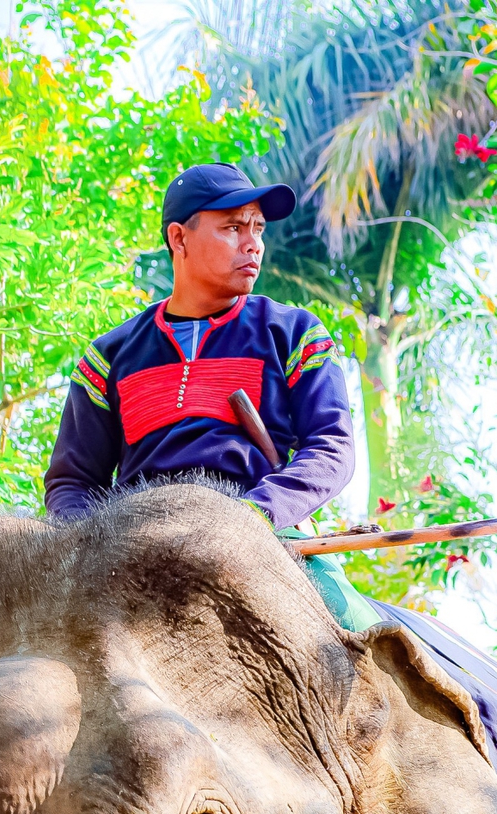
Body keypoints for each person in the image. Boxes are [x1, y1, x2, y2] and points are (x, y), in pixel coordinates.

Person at [44, 162, 377, 630]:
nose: (253, 243)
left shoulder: (293, 332)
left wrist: (255, 514)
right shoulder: (110, 356)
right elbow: (72, 482)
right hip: (129, 545)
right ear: (179, 238)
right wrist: (91, 545)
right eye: (233, 228)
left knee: (369, 640)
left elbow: (332, 449)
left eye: (258, 228)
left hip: (261, 535)